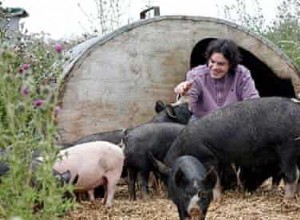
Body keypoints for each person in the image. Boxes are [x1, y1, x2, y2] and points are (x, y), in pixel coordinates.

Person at [174, 38, 260, 120]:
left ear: (230, 65)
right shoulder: (196, 75)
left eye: (221, 64)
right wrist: (185, 93)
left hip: (234, 122)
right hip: (202, 122)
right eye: (212, 61)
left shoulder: (242, 74)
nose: (214, 67)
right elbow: (189, 102)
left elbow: (253, 101)